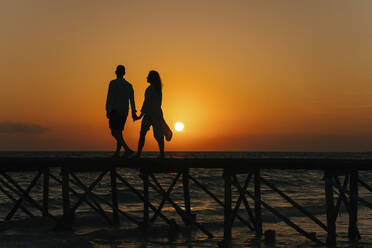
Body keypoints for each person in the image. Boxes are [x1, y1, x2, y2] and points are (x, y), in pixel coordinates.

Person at [135, 70, 172, 159]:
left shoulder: (151, 89)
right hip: (155, 114)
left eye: (148, 76)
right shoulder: (157, 89)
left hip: (151, 115)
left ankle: (139, 154)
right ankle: (162, 154)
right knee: (157, 135)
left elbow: (147, 103)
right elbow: (149, 103)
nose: (146, 77)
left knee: (145, 134)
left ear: (152, 78)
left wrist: (141, 115)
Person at [106, 65, 137, 157]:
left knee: (114, 132)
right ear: (124, 73)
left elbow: (109, 98)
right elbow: (132, 100)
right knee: (119, 131)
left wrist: (108, 110)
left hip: (115, 110)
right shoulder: (129, 85)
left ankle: (127, 149)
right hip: (124, 112)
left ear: (116, 72)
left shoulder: (113, 83)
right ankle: (117, 153)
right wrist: (133, 113)